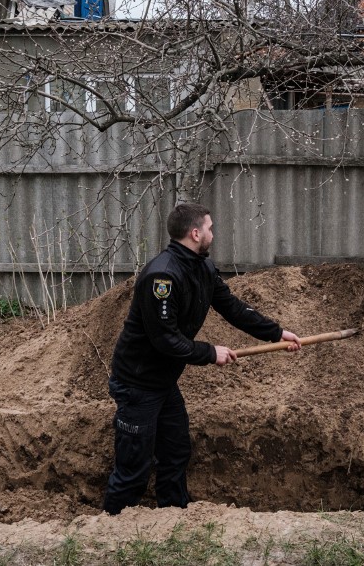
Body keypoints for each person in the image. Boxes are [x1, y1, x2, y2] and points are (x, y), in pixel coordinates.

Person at [103, 202, 301, 515]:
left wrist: (276, 333)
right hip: (137, 385)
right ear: (196, 233)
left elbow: (233, 308)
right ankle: (108, 533)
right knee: (133, 468)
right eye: (210, 228)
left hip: (163, 382)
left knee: (176, 451)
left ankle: (175, 518)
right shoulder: (162, 278)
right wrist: (210, 353)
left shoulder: (202, 268)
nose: (213, 233)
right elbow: (164, 339)